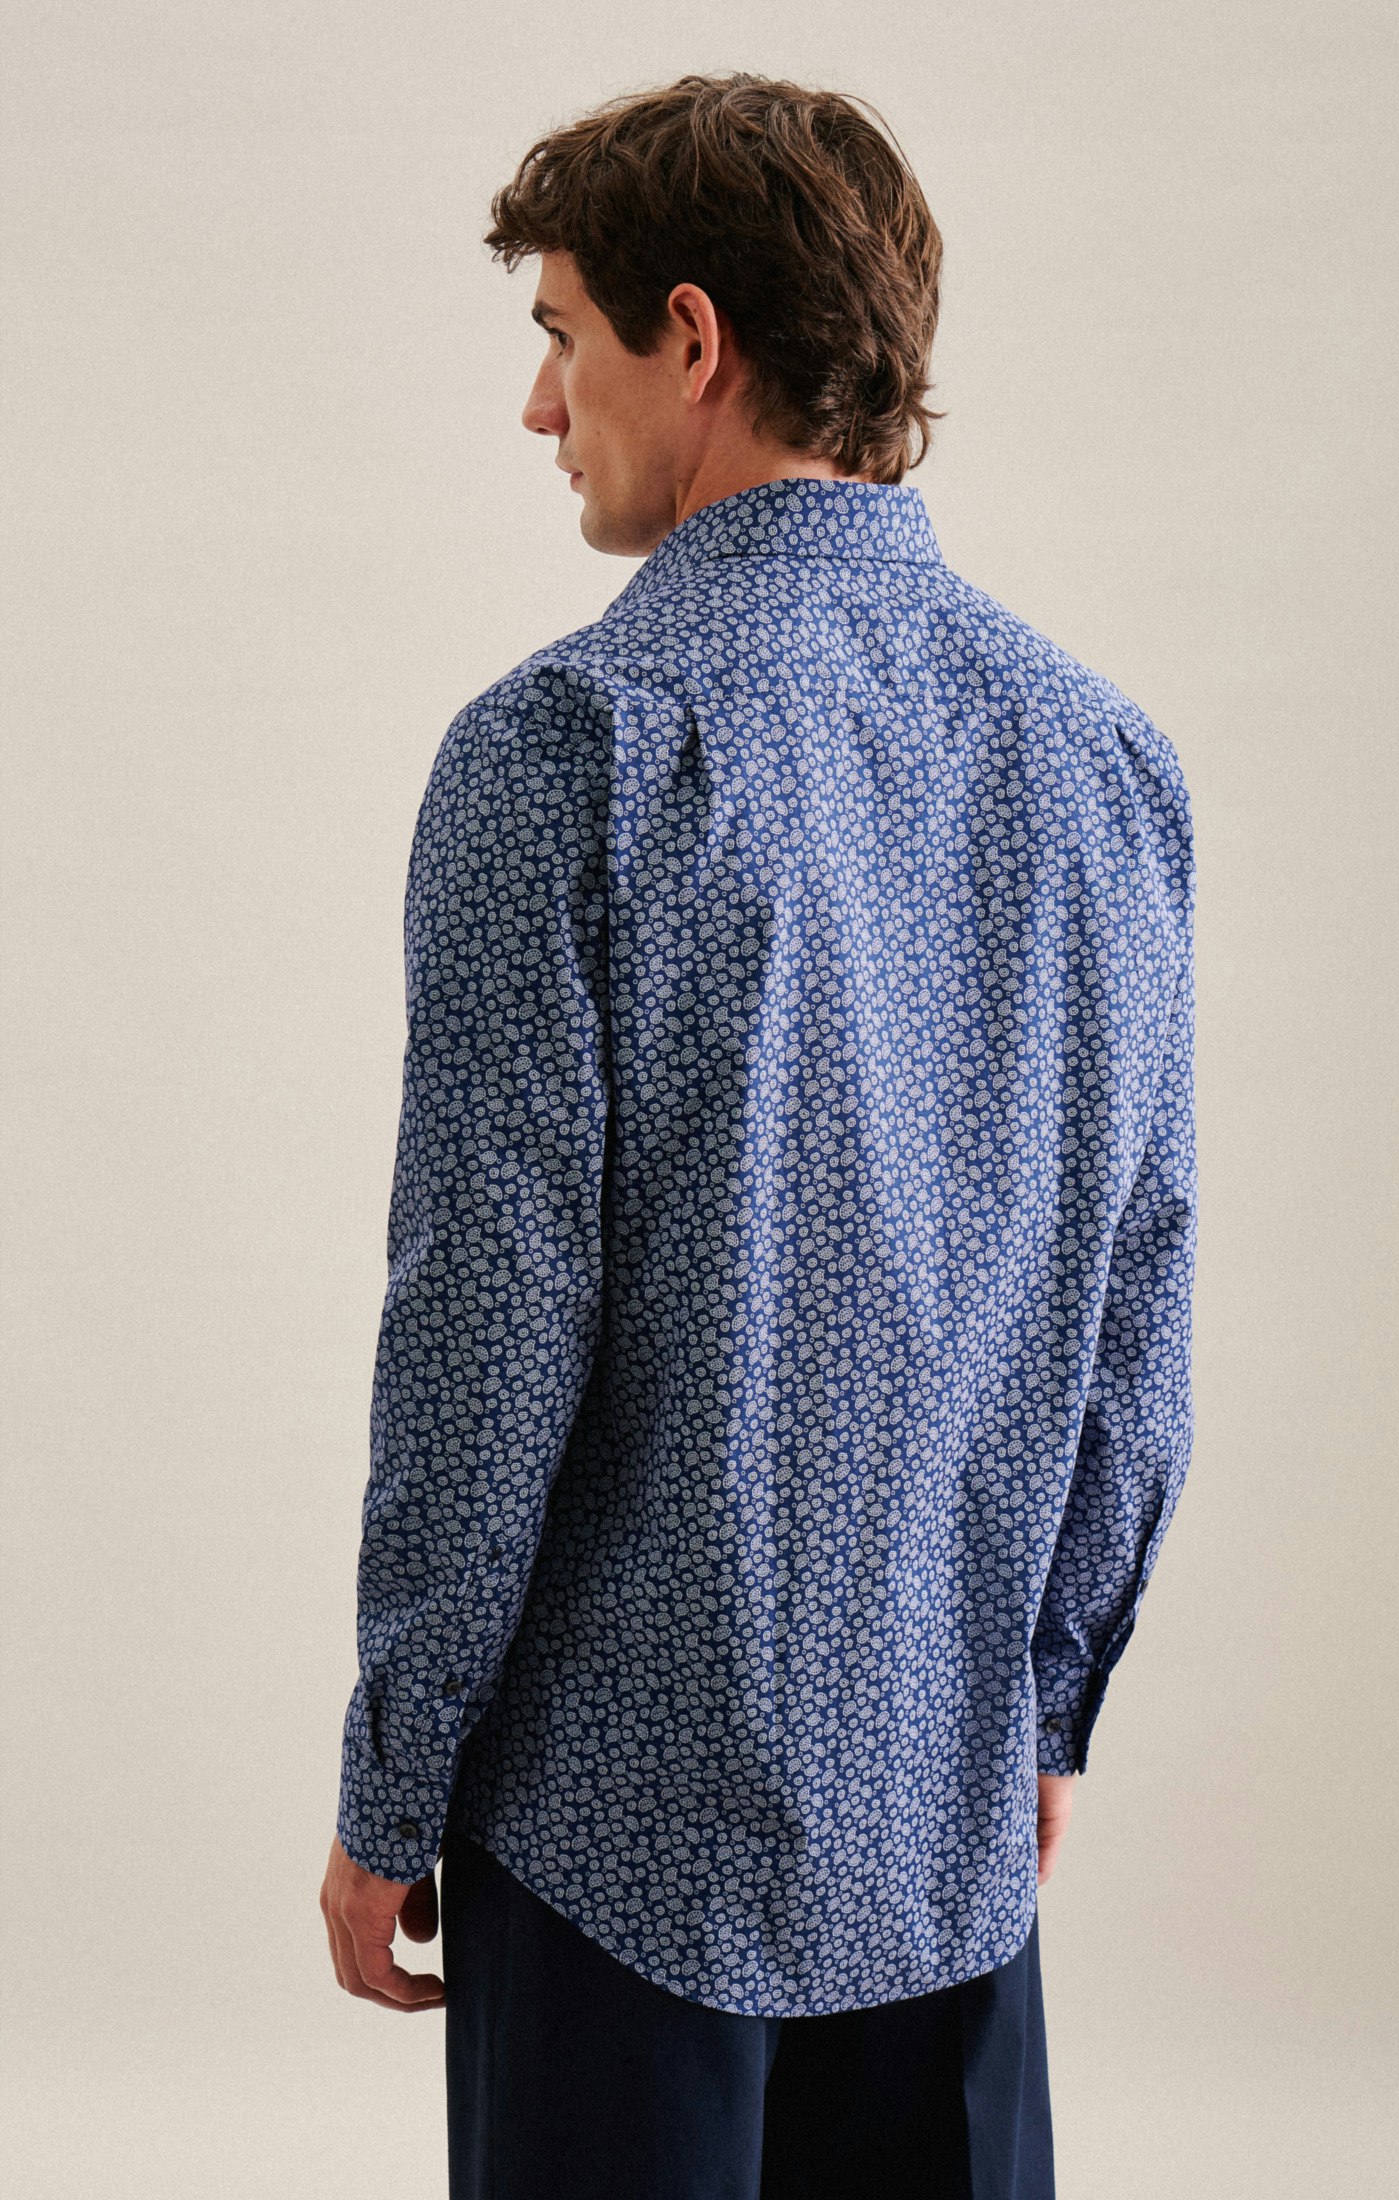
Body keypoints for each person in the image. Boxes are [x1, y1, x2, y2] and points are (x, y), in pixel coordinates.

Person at [318, 69, 1197, 2200]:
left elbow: (484, 1338)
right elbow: (1137, 1305)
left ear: (691, 339)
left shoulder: (569, 750)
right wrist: (1045, 1702)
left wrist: (390, 1780)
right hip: (948, 1827)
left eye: (563, 334)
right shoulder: (1105, 760)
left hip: (616, 1855)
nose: (543, 404)